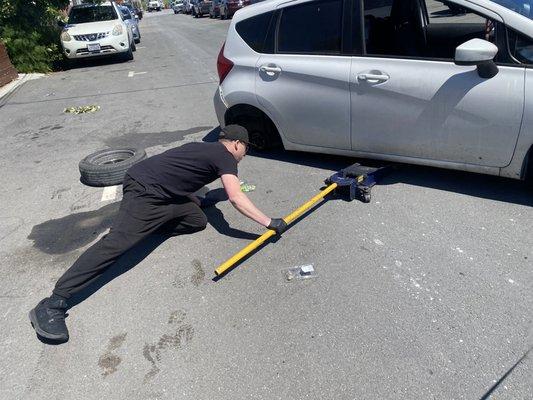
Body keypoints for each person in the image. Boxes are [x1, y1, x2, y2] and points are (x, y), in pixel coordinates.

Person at [29, 125, 288, 342]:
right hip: (145, 190)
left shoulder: (203, 148)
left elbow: (175, 169)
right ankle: (54, 303)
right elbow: (235, 197)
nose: (244, 155)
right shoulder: (225, 156)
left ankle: (151, 224)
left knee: (196, 219)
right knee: (117, 244)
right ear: (236, 144)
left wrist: (195, 197)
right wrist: (268, 222)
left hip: (161, 189)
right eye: (245, 149)